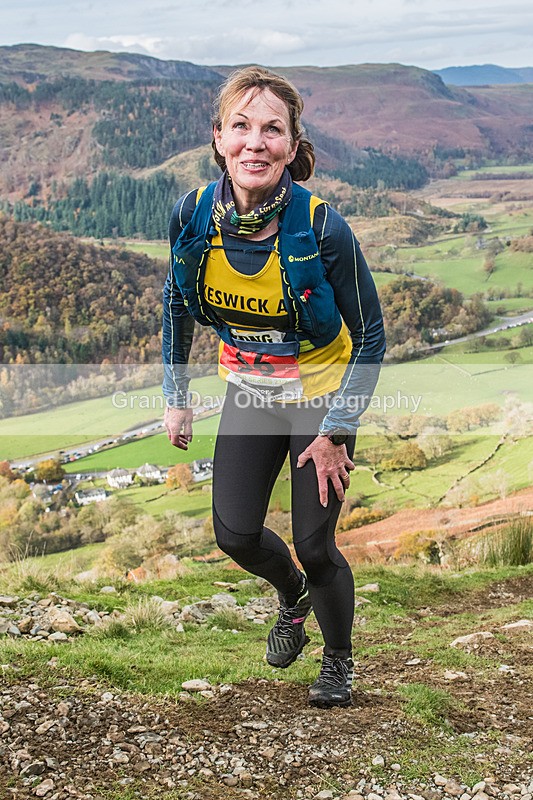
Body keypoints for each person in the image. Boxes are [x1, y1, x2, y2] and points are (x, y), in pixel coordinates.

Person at [162, 66, 385, 708]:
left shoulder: (323, 228)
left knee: (316, 543)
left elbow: (371, 339)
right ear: (218, 138)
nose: (255, 142)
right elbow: (177, 303)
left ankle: (338, 661)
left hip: (322, 399)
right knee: (234, 534)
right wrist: (176, 395)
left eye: (272, 129)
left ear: (291, 145)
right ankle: (291, 595)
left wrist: (337, 430)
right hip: (252, 393)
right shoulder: (192, 214)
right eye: (242, 126)